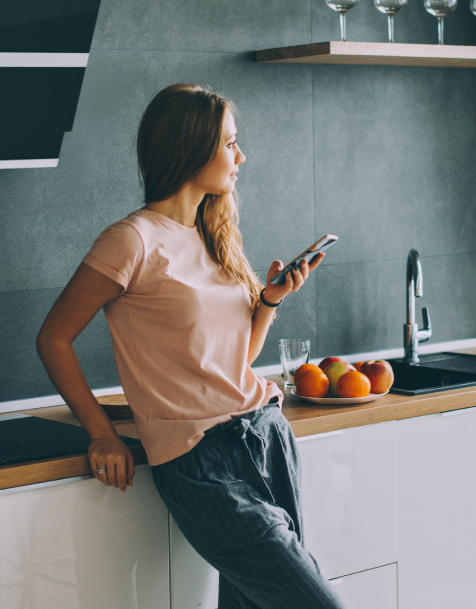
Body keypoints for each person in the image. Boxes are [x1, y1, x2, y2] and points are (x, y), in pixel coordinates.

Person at [36, 83, 347, 608]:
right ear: (189, 147)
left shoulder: (218, 236)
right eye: (229, 143)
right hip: (200, 462)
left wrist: (268, 301)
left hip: (266, 437)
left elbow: (235, 362)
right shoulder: (132, 240)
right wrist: (102, 434)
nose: (240, 156)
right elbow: (54, 338)